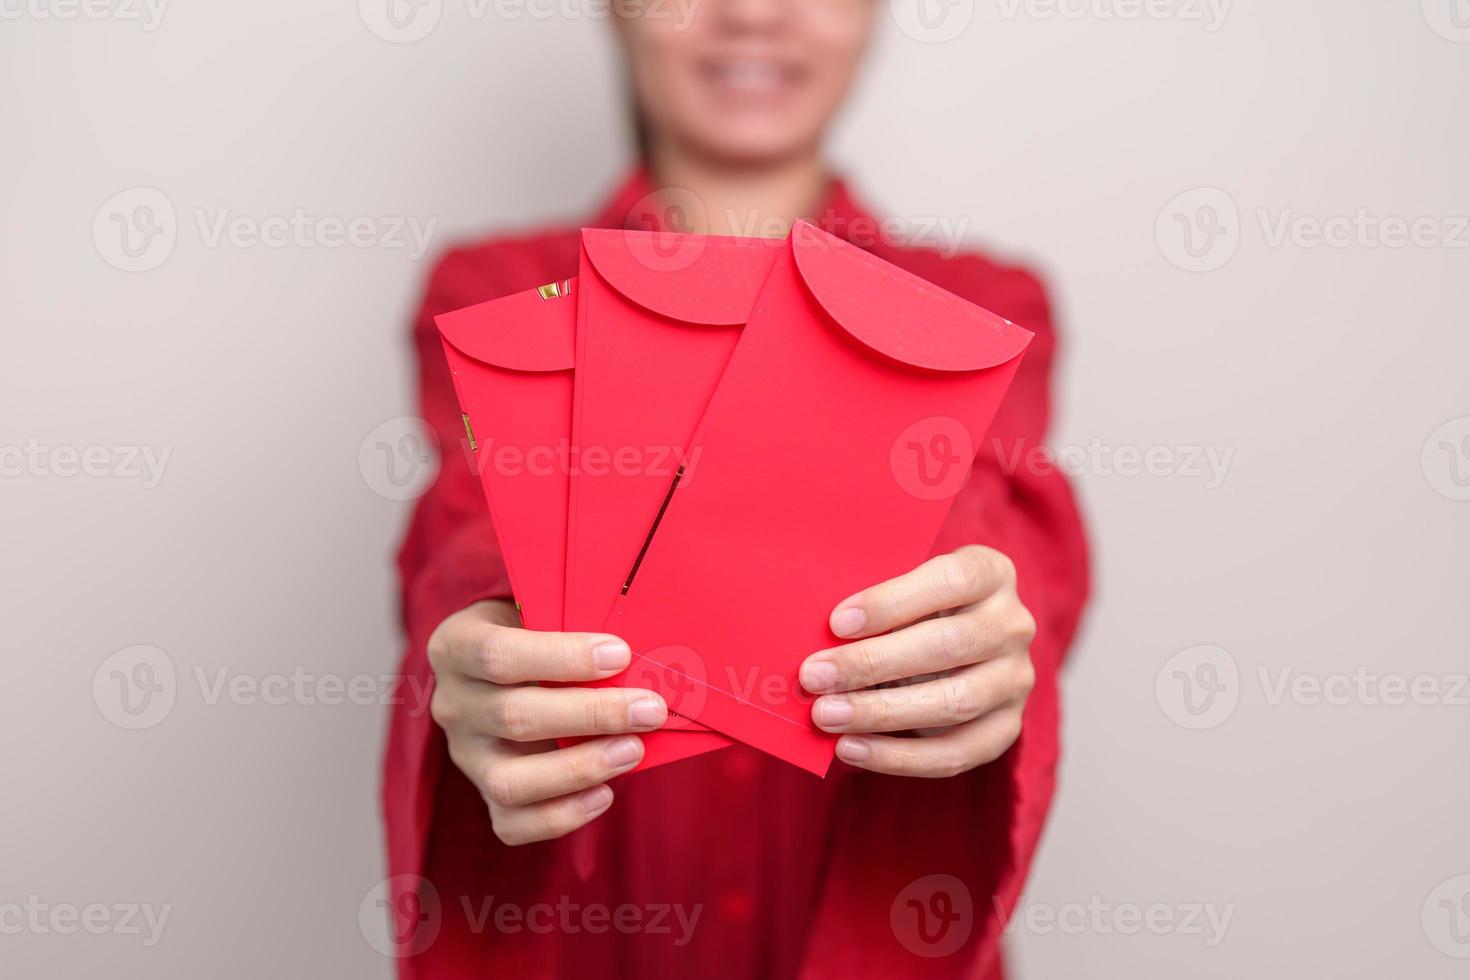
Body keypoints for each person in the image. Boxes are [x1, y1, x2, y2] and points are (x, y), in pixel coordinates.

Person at [383, 2, 1089, 976]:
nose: (754, 13)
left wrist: (988, 606)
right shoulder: (496, 287)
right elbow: (465, 527)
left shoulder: (984, 304)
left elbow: (1004, 516)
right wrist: (476, 625)